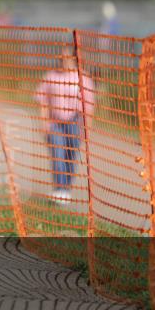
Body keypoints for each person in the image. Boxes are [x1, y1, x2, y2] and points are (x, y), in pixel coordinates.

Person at [35, 52, 95, 203]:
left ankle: (66, 189)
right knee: (57, 155)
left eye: (67, 59)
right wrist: (44, 122)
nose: (64, 62)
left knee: (70, 156)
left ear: (75, 60)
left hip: (75, 122)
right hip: (54, 121)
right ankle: (59, 189)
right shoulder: (51, 76)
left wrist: (87, 127)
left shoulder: (83, 78)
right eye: (61, 59)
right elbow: (42, 100)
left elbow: (89, 105)